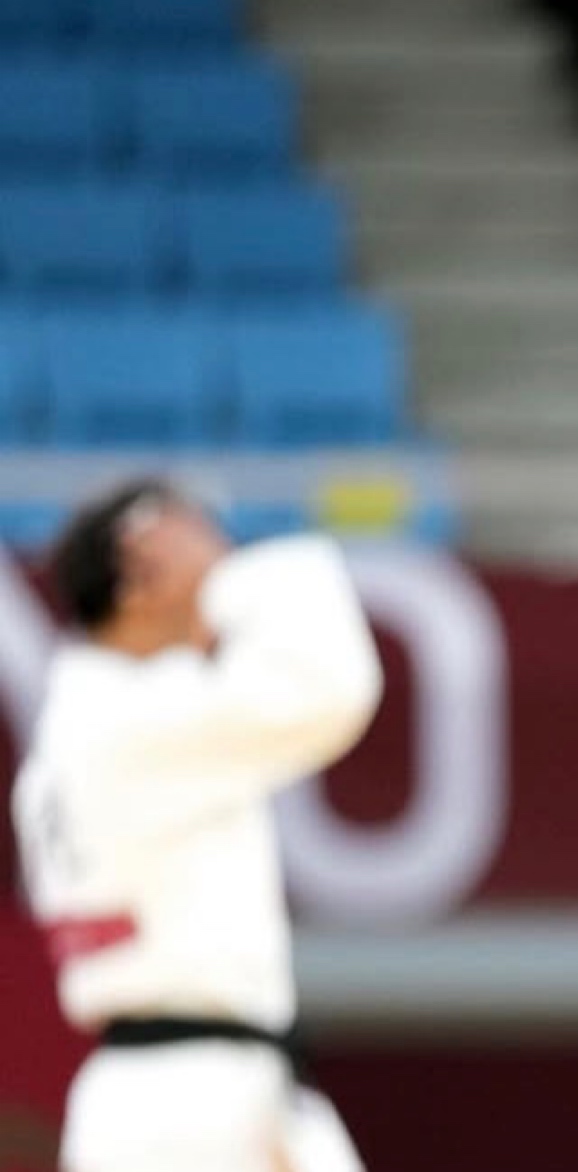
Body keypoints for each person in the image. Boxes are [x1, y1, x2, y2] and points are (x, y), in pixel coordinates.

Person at [11, 480, 382, 1172]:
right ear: (139, 574)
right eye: (198, 538)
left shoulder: (91, 723)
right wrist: (237, 581)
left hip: (182, 1095)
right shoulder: (127, 719)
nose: (218, 552)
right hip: (191, 1105)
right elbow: (329, 685)